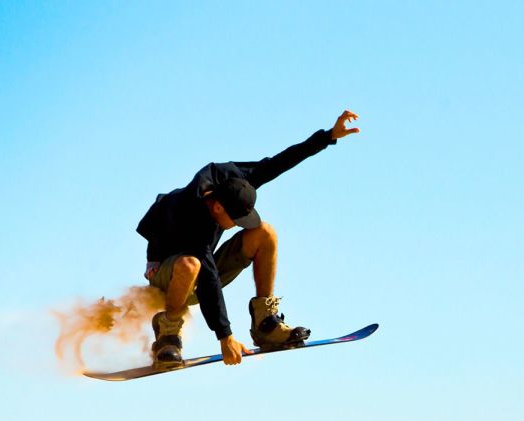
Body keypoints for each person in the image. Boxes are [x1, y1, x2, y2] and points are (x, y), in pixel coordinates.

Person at [136, 110, 360, 368]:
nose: (237, 227)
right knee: (191, 265)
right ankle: (168, 336)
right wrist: (225, 337)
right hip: (165, 276)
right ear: (218, 207)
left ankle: (265, 323)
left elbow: (277, 163)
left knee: (265, 232)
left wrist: (328, 136)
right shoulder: (191, 214)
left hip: (200, 267)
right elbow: (208, 280)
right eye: (236, 221)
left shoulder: (232, 181)